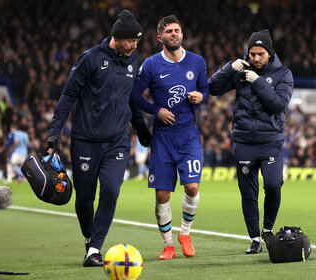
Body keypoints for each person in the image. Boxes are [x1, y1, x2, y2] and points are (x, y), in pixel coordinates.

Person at [46, 10, 151, 267]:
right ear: (117, 37)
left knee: (112, 190)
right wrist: (54, 132)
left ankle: (94, 249)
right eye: (132, 40)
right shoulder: (90, 59)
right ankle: (89, 237)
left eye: (138, 41)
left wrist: (141, 128)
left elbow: (130, 99)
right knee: (84, 199)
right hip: (85, 141)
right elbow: (68, 95)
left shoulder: (133, 61)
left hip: (117, 141)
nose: (136, 45)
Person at [130, 15, 209, 260]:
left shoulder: (196, 61)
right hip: (162, 137)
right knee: (162, 194)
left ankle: (185, 234)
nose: (174, 34)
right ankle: (168, 245)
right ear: (160, 37)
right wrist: (156, 111)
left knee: (192, 187)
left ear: (182, 35)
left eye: (177, 31)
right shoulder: (151, 65)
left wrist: (201, 96)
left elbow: (205, 87)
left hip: (188, 135)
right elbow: (133, 95)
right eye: (169, 31)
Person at [208, 29, 294, 254]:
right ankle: (255, 238)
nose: (255, 58)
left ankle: (268, 229)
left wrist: (257, 82)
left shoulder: (284, 74)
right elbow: (212, 88)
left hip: (270, 141)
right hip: (244, 141)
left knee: (273, 185)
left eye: (260, 54)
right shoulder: (241, 71)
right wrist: (228, 68)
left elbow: (278, 104)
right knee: (248, 193)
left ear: (270, 53)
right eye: (252, 53)